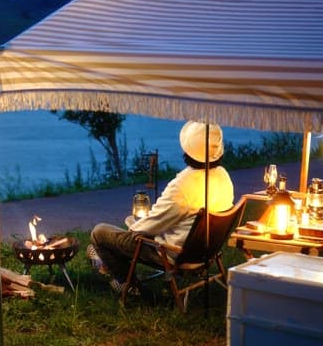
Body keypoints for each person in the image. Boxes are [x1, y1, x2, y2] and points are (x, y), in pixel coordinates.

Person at [87, 120, 235, 293]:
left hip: (172, 253)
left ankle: (128, 285)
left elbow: (149, 226)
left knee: (100, 232)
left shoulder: (182, 186)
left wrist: (133, 225)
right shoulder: (223, 176)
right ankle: (105, 264)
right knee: (120, 237)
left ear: (187, 150)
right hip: (207, 251)